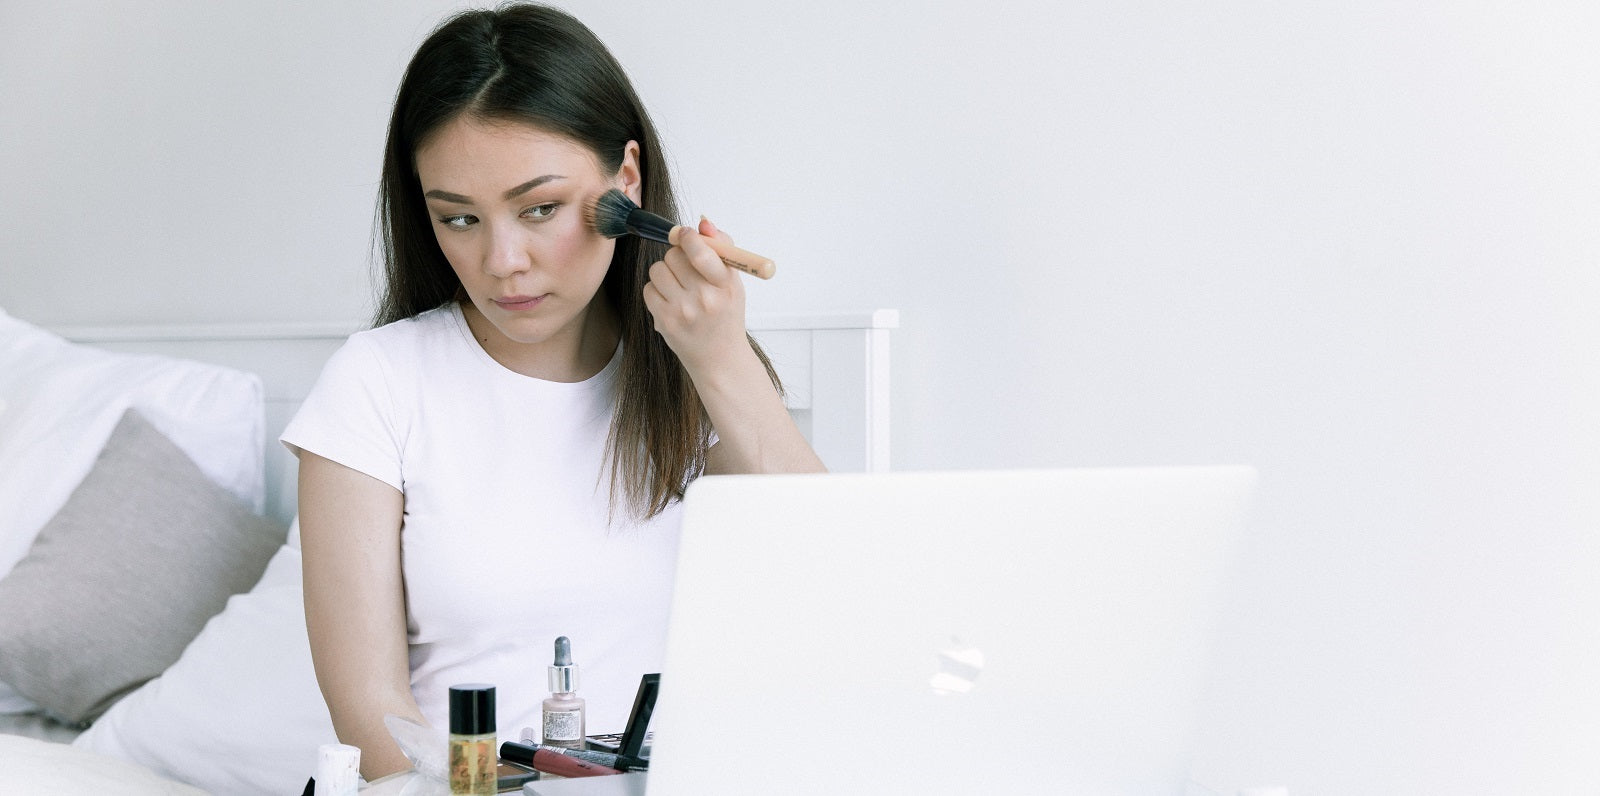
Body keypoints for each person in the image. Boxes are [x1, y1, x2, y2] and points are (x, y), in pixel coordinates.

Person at [281, 3, 823, 779]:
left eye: (539, 209)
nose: (503, 260)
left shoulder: (696, 376)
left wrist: (721, 358)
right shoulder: (377, 383)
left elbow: (822, 585)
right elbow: (371, 713)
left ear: (625, 180)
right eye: (459, 219)